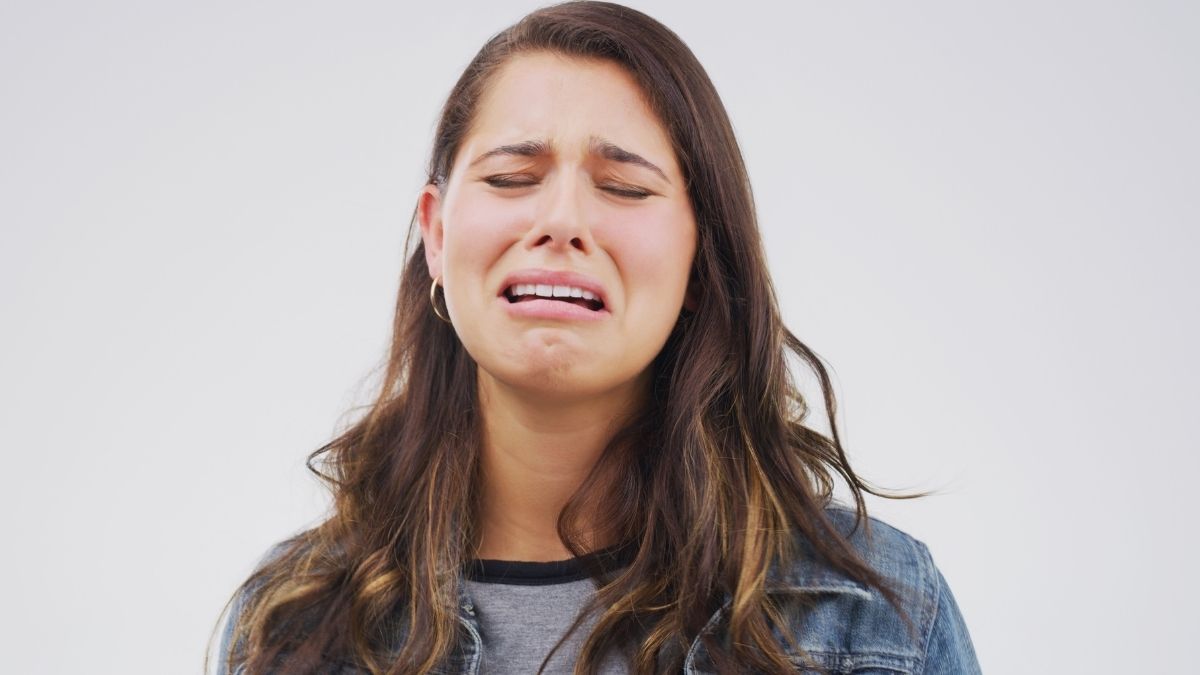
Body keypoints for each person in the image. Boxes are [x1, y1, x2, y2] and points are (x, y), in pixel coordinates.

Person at [211, 2, 982, 673]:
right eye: (513, 177)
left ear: (699, 259)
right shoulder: (290, 628)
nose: (563, 222)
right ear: (438, 234)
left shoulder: (876, 620)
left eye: (624, 188)